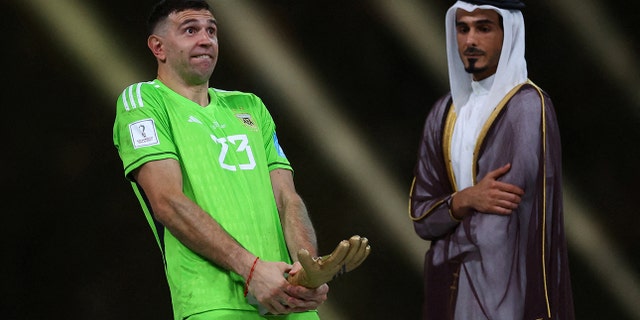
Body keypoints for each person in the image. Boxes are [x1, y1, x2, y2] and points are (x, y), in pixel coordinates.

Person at [112, 1, 369, 319]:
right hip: (215, 304)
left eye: (211, 30)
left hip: (289, 302)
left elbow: (287, 198)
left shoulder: (250, 107)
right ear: (158, 47)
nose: (205, 39)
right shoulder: (143, 102)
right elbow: (167, 201)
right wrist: (252, 270)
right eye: (190, 30)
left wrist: (308, 270)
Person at [408, 0, 574, 319]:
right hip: (449, 290)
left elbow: (502, 219)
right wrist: (465, 199)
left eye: (483, 28)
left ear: (508, 33)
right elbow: (421, 216)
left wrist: (451, 216)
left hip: (509, 295)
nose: (470, 40)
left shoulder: (526, 109)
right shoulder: (443, 113)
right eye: (462, 28)